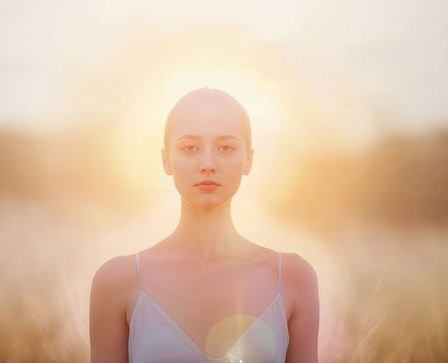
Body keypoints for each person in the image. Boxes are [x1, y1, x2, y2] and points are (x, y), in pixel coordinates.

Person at [89, 87, 319, 362]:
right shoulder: (117, 282)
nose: (208, 163)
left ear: (248, 159)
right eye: (190, 148)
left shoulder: (293, 278)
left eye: (225, 148)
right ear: (166, 160)